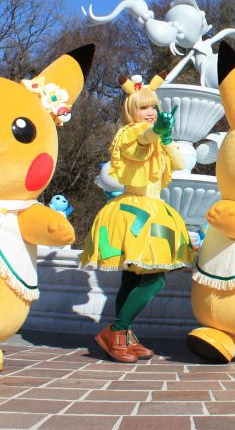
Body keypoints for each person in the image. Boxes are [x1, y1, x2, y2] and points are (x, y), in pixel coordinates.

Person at [80, 74, 194, 363]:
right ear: (132, 110)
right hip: (135, 211)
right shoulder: (129, 133)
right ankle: (116, 330)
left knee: (132, 278)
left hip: (153, 209)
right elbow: (141, 142)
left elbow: (179, 163)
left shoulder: (156, 136)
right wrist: (155, 132)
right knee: (155, 280)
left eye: (153, 106)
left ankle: (125, 335)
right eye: (144, 107)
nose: (150, 112)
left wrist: (166, 137)